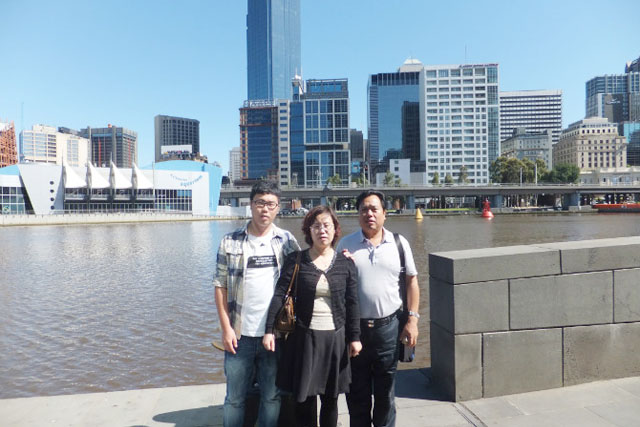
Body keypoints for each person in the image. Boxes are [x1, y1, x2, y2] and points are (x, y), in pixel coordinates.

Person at [263, 205, 362, 427]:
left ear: (335, 229)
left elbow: (352, 303)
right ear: (309, 231)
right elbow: (280, 294)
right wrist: (269, 330)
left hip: (335, 339)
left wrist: (355, 337)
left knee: (330, 399)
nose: (322, 230)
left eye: (326, 225)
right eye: (316, 226)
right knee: (304, 399)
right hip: (304, 338)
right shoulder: (296, 260)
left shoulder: (346, 264)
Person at [213, 181, 300, 427]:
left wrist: (340, 257)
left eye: (271, 204)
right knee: (234, 399)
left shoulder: (286, 240)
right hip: (239, 335)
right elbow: (220, 286)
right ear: (250, 205)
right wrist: (226, 329)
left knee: (272, 396)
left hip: (273, 335)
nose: (265, 209)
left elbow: (305, 272)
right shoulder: (230, 241)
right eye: (260, 203)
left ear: (278, 208)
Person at [337, 190, 420, 427]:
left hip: (389, 329)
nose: (369, 214)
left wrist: (412, 320)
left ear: (385, 213)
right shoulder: (346, 244)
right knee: (357, 395)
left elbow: (412, 282)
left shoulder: (399, 244)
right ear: (358, 214)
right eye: (364, 209)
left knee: (386, 394)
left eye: (374, 209)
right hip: (356, 331)